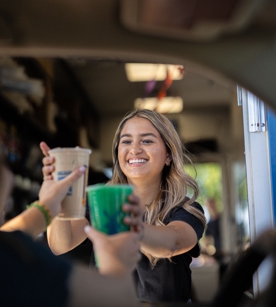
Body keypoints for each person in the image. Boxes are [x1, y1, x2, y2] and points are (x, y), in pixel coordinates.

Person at [0, 100, 140, 307]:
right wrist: (115, 261)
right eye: (1, 160)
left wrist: (47, 207)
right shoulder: (6, 260)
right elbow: (117, 298)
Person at [41, 108, 207, 304]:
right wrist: (57, 197)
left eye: (147, 140)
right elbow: (60, 245)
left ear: (169, 155)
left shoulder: (185, 210)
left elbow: (173, 243)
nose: (135, 149)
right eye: (126, 141)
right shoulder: (98, 201)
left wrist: (132, 225)